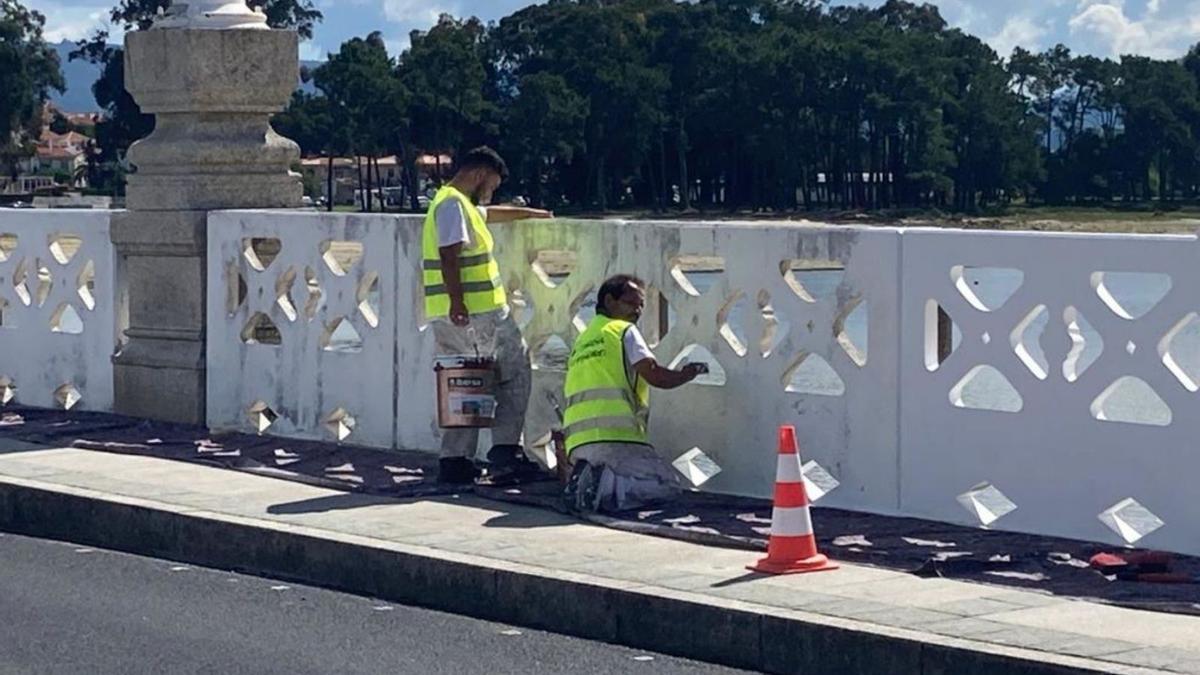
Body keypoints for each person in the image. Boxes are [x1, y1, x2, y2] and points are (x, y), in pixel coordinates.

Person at [423, 146, 553, 484]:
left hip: (449, 316)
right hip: (478, 314)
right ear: (480, 174)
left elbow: (491, 214)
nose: (491, 192)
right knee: (514, 374)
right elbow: (449, 255)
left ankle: (455, 460)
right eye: (491, 184)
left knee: (465, 385)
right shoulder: (454, 206)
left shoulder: (450, 202)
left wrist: (534, 214)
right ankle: (505, 453)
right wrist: (458, 302)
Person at [561, 274, 708, 513]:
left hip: (578, 443)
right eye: (631, 303)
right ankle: (604, 486)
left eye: (641, 305)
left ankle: (588, 478)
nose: (638, 311)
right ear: (610, 301)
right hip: (617, 437)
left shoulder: (584, 339)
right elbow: (654, 375)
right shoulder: (623, 331)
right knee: (669, 486)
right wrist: (687, 373)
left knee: (632, 470)